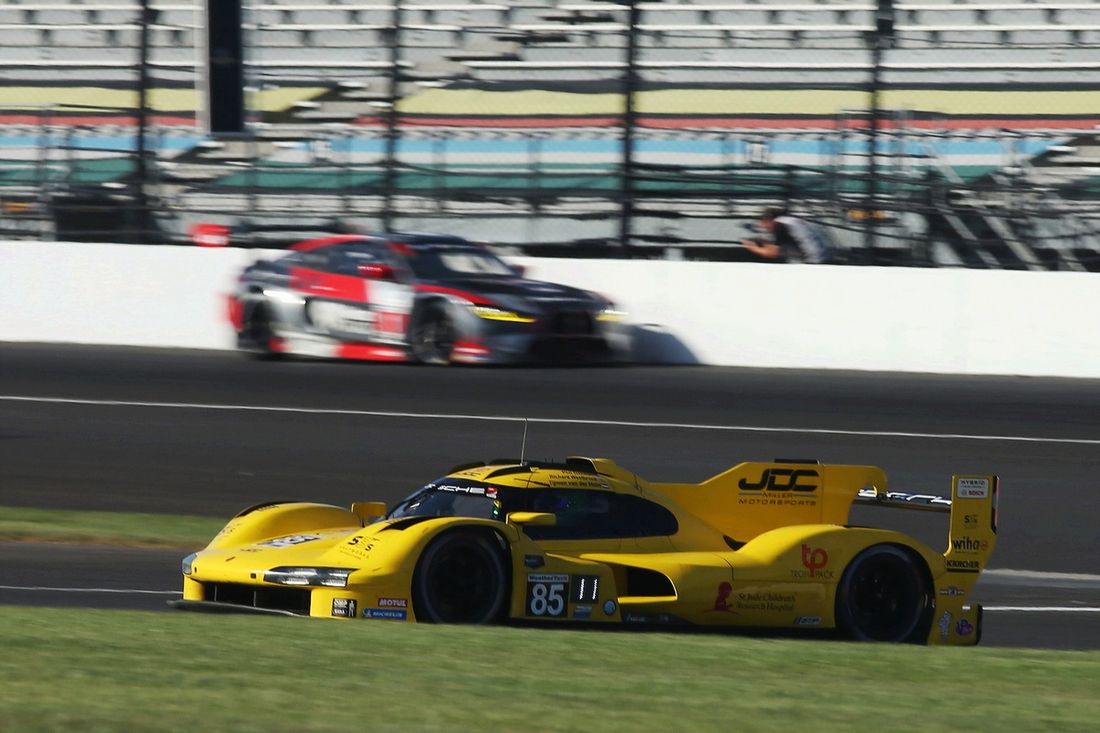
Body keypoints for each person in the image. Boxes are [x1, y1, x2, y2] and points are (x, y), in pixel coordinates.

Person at [742, 207, 832, 264]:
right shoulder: (790, 221)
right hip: (824, 258)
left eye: (763, 222)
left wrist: (753, 248)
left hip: (814, 262)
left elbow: (773, 253)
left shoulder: (779, 224)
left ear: (769, 219)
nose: (763, 226)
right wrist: (766, 243)